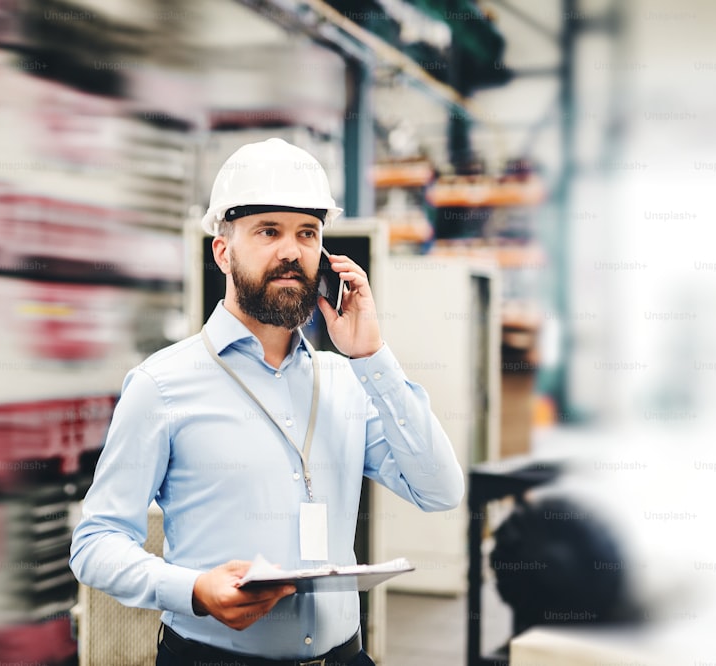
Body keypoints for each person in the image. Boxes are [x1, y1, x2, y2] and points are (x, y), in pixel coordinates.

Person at [70, 138, 464, 666]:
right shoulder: (161, 385)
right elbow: (96, 543)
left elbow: (439, 489)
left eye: (307, 233)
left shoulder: (347, 380)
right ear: (222, 250)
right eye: (268, 231)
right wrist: (192, 589)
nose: (290, 251)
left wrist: (373, 356)